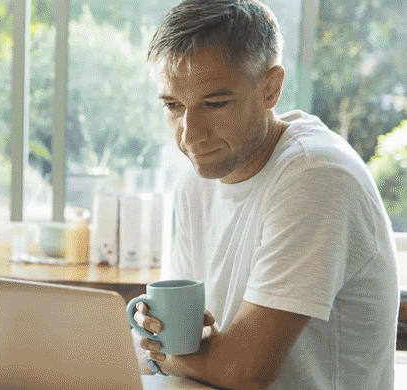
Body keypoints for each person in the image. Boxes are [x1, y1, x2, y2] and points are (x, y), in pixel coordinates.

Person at [131, 0, 400, 389]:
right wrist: (167, 343)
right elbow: (186, 344)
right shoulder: (196, 181)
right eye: (174, 105)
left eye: (216, 103)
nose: (190, 137)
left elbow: (245, 372)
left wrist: (167, 358)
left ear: (271, 88)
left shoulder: (317, 176)